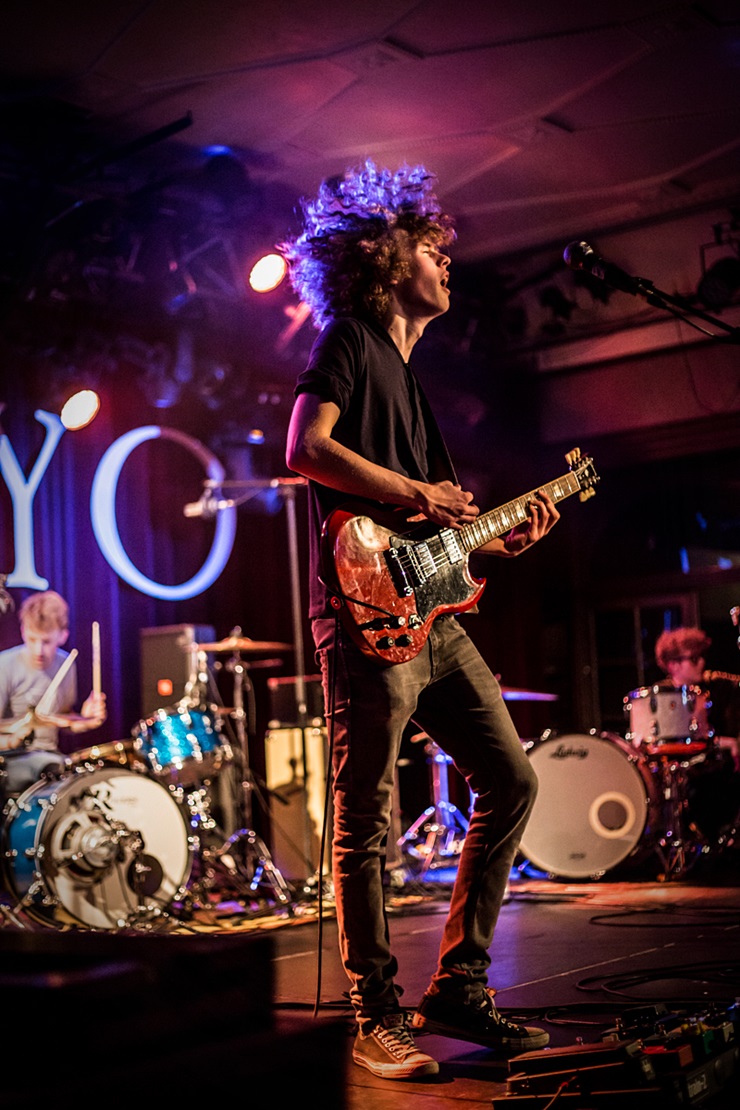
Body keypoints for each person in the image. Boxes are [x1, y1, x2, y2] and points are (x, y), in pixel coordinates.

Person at [282, 160, 560, 1080]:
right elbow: (304, 449)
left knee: (512, 780)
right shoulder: (350, 341)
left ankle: (460, 987)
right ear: (382, 255)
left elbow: (430, 535)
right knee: (365, 818)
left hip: (431, 619)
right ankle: (373, 1015)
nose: (447, 260)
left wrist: (488, 545)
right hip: (364, 620)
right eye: (432, 248)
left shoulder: (412, 380)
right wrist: (416, 491)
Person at [0, 590, 107, 803]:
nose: (39, 650)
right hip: (13, 759)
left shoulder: (65, 664)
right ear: (23, 631)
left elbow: (63, 720)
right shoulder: (5, 665)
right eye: (32, 639)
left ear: (62, 635)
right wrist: (12, 740)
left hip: (51, 755)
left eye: (47, 641)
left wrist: (84, 720)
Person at [653, 626, 740, 843]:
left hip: (715, 768)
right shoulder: (659, 696)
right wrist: (724, 742)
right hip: (677, 771)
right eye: (694, 658)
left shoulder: (715, 686)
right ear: (673, 665)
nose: (701, 662)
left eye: (702, 656)